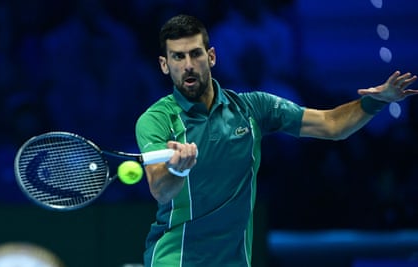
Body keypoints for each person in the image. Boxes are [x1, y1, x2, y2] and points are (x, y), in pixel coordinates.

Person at [134, 14, 417, 266]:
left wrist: (374, 103)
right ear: (164, 64)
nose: (188, 66)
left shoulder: (254, 108)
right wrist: (179, 168)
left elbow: (331, 125)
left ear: (211, 57)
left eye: (195, 54)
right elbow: (160, 188)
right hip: (175, 259)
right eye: (177, 57)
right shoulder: (156, 120)